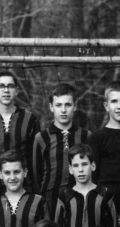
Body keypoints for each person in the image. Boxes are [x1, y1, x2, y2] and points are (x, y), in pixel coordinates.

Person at [0, 70, 40, 189]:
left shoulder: (30, 119)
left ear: (16, 91)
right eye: (1, 86)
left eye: (10, 86)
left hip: (23, 184)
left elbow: (35, 158)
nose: (6, 90)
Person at [32, 82, 91, 217]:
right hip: (50, 197)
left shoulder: (86, 136)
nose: (63, 110)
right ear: (51, 107)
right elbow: (36, 174)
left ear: (75, 106)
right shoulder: (41, 138)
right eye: (58, 105)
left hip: (80, 195)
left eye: (68, 105)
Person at [58, 144, 117, 227]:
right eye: (76, 165)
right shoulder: (64, 197)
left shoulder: (105, 195)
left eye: (84, 164)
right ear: (70, 169)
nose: (80, 170)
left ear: (93, 166)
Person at [87, 80, 120, 211]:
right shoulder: (96, 137)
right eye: (114, 101)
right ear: (106, 106)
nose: (119, 106)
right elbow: (93, 175)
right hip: (105, 197)